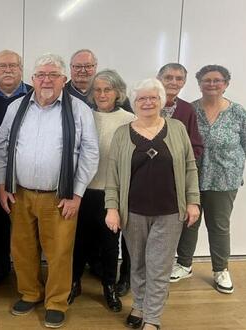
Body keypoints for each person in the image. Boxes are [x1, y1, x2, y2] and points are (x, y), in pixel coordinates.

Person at [0, 53, 99, 329]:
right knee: (22, 248)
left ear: (64, 79)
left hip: (60, 196)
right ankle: (30, 293)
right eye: (41, 75)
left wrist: (77, 194)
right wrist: (2, 186)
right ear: (32, 79)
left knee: (60, 252)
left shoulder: (78, 110)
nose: (47, 80)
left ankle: (56, 302)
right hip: (21, 193)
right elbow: (0, 145)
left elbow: (90, 153)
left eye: (53, 75)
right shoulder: (17, 107)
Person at [104, 78, 200, 330]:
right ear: (134, 103)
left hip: (169, 212)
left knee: (158, 267)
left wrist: (193, 202)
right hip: (133, 213)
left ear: (162, 101)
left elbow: (190, 166)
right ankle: (139, 304)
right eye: (141, 99)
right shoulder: (122, 133)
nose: (147, 102)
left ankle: (152, 319)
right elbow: (112, 176)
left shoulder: (177, 128)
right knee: (137, 264)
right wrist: (112, 208)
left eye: (153, 98)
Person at [170, 65, 246, 294]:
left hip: (224, 179)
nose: (212, 84)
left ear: (226, 84)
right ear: (199, 84)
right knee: (189, 222)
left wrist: (229, 163)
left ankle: (220, 270)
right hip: (193, 176)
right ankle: (184, 264)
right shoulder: (190, 110)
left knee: (219, 225)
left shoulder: (239, 113)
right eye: (207, 80)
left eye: (217, 80)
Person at [69, 69, 135, 312]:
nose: (102, 94)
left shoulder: (129, 119)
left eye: (107, 89)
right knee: (78, 241)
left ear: (118, 92)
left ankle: (109, 286)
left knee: (110, 243)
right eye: (97, 90)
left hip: (112, 193)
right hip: (83, 191)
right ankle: (74, 283)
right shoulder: (83, 115)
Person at [0, 50, 31, 287]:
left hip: (29, 175)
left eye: (13, 65)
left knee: (29, 228)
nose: (8, 70)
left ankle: (28, 274)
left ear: (22, 69)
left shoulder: (36, 94)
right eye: (2, 66)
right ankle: (0, 269)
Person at [156, 63, 203, 159]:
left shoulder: (187, 109)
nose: (174, 82)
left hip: (176, 169)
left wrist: (182, 164)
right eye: (168, 78)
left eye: (179, 79)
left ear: (184, 83)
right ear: (158, 80)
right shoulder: (145, 104)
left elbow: (195, 145)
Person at [66, 49, 132, 112]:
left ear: (95, 66)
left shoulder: (116, 95)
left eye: (88, 66)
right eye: (78, 67)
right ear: (71, 67)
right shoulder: (62, 93)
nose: (83, 71)